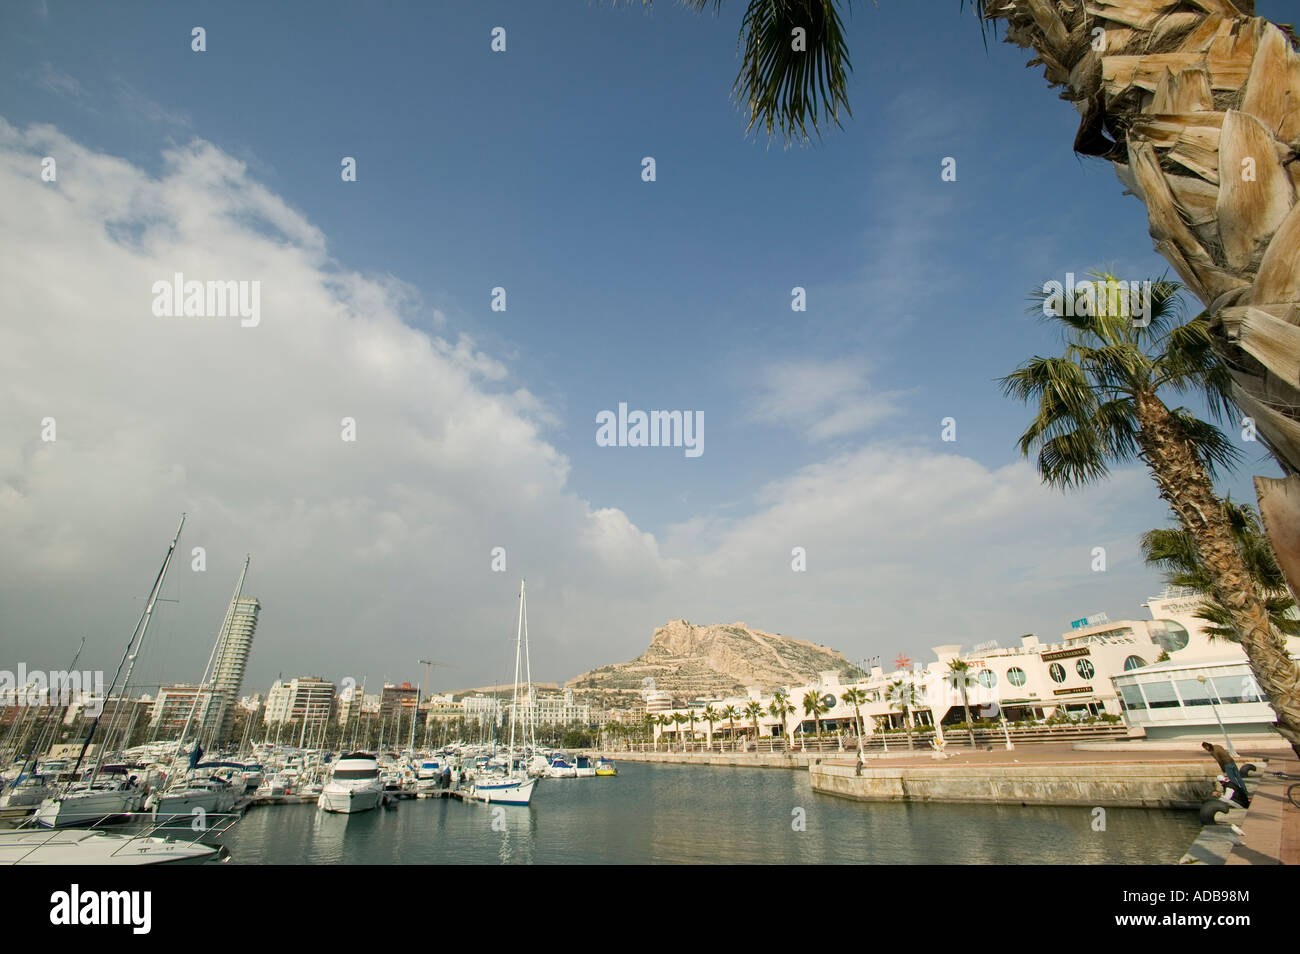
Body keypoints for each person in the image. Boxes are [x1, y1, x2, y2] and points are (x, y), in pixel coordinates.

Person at [1202, 741, 1249, 808]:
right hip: (1231, 761)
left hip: (1227, 764)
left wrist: (1223, 768)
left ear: (1206, 747)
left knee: (1233, 781)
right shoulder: (1217, 746)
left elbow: (1219, 760)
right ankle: (1245, 791)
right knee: (1239, 777)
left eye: (1205, 748)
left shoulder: (1213, 751)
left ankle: (1240, 792)